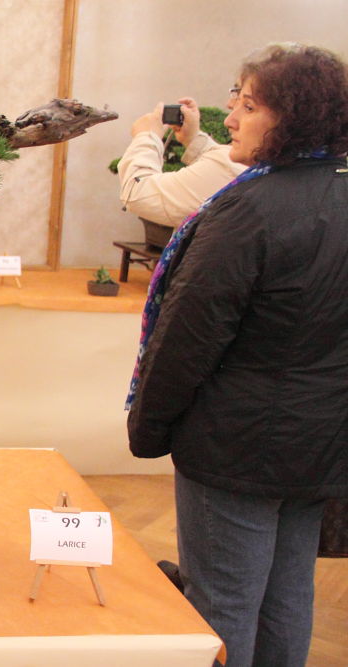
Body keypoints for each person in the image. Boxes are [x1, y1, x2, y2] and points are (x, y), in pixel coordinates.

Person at [126, 43, 348, 667]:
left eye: (248, 106)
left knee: (221, 599)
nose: (230, 118)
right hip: (322, 440)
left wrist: (148, 427)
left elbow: (187, 340)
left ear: (293, 118)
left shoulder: (246, 209)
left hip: (237, 443)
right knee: (288, 593)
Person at [118, 98, 244, 227]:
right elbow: (224, 166)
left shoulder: (232, 170)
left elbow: (137, 193)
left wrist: (146, 136)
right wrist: (193, 139)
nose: (228, 120)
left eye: (249, 107)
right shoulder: (248, 165)